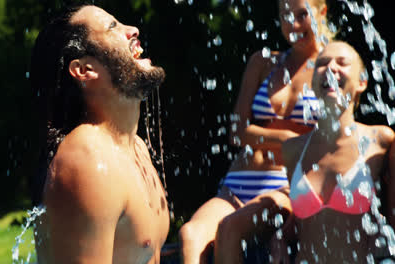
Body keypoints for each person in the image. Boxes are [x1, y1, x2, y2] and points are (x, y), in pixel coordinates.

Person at [179, 0, 333, 263]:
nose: (293, 24)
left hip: (285, 187)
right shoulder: (263, 62)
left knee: (229, 229)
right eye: (285, 16)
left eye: (301, 14)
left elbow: (330, 142)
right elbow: (237, 132)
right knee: (189, 235)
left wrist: (261, 135)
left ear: (322, 11)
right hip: (238, 182)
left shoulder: (331, 69)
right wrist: (288, 139)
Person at [29, 4, 169, 264]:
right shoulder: (87, 161)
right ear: (84, 70)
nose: (133, 30)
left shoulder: (135, 146)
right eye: (113, 26)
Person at [278, 41, 395, 262]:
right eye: (322, 63)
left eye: (342, 63)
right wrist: (278, 240)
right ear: (312, 82)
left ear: (362, 82)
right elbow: (299, 224)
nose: (331, 68)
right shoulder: (293, 150)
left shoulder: (381, 141)